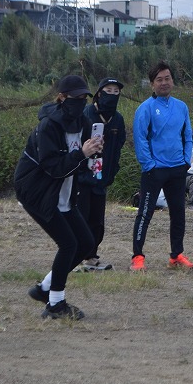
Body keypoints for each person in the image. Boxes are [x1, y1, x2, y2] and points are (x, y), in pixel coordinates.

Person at [14, 75, 102, 320]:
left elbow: (79, 164)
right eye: (76, 97)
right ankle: (55, 304)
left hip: (63, 192)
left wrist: (93, 153)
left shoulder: (84, 123)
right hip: (38, 192)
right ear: (62, 97)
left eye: (84, 97)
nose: (81, 102)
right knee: (68, 244)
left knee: (86, 243)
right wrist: (81, 154)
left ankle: (44, 288)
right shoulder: (48, 126)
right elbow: (52, 167)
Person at [131, 61, 193, 271]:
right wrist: (149, 165)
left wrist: (186, 160)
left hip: (178, 168)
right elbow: (140, 138)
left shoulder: (181, 107)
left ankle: (176, 255)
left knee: (178, 213)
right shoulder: (145, 108)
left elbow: (187, 135)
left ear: (172, 81)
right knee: (145, 213)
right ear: (152, 84)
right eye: (159, 80)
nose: (164, 83)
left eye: (167, 78)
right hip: (154, 170)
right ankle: (137, 256)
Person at [74, 77, 126, 271]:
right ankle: (75, 256)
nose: (112, 95)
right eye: (108, 91)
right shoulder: (87, 113)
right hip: (82, 175)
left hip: (101, 177)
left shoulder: (117, 119)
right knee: (81, 216)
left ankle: (91, 256)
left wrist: (113, 170)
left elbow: (119, 145)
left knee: (97, 220)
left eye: (116, 92)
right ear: (99, 93)